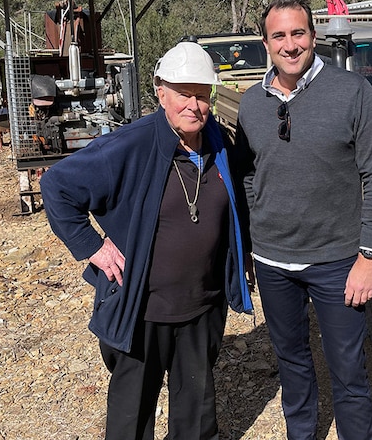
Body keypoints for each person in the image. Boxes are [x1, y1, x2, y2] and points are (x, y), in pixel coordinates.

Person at [41, 41, 254, 440]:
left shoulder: (218, 143)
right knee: (131, 420)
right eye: (183, 94)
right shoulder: (132, 145)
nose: (194, 105)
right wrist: (92, 247)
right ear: (161, 93)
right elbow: (56, 185)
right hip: (144, 309)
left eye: (202, 95)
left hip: (201, 306)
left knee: (195, 420)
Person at [235, 0, 372, 440]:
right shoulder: (251, 103)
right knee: (291, 364)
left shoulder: (352, 91)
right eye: (279, 35)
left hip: (338, 262)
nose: (290, 45)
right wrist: (252, 242)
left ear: (314, 35)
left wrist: (368, 257)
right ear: (265, 43)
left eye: (298, 33)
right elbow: (249, 176)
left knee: (348, 372)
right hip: (272, 262)